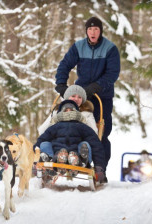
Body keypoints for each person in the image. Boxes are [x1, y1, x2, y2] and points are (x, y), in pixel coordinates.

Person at [54, 17, 121, 182]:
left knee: (101, 132)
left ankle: (100, 170)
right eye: (90, 29)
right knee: (70, 125)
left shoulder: (110, 49)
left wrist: (96, 87)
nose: (93, 32)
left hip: (102, 96)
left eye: (96, 29)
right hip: (80, 96)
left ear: (100, 31)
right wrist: (61, 84)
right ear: (86, 31)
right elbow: (65, 65)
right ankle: (66, 157)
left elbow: (112, 74)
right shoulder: (78, 46)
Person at [34, 100, 106, 183]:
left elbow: (95, 144)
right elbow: (40, 141)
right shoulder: (55, 126)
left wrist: (99, 166)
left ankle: (80, 160)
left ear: (77, 112)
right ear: (60, 113)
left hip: (76, 153)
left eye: (71, 110)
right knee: (44, 144)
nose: (68, 112)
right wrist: (34, 160)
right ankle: (52, 158)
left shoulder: (81, 126)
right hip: (57, 152)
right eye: (65, 110)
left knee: (85, 144)